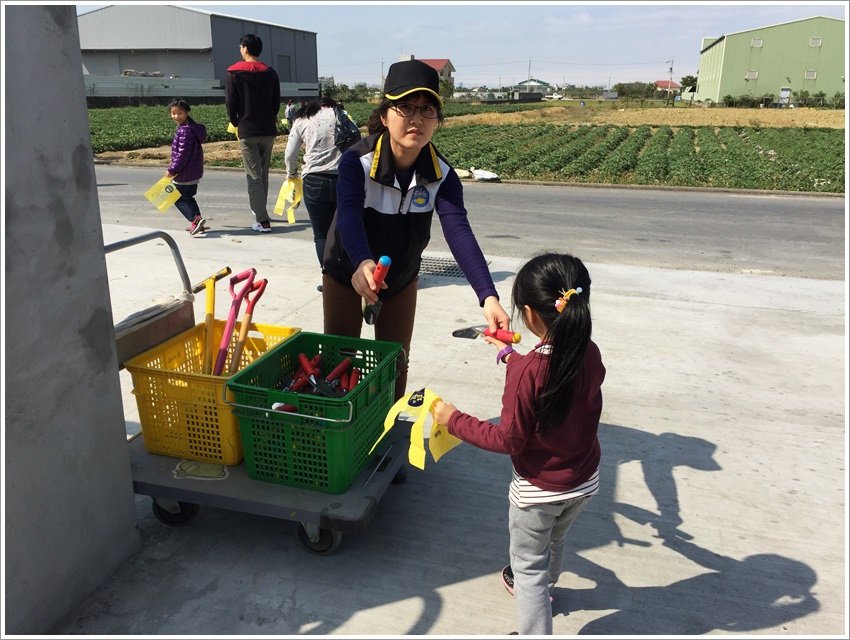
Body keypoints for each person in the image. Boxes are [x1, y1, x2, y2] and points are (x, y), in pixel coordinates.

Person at [433, 253, 606, 636]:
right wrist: (513, 357)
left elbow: (509, 438)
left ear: (528, 314)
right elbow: (548, 377)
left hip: (538, 492)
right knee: (556, 539)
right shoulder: (588, 352)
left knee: (528, 565)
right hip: (584, 481)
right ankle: (550, 587)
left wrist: (453, 419)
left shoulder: (531, 370)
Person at [322, 59, 510, 400]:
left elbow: (459, 232)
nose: (417, 119)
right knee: (339, 362)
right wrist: (361, 262)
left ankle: (386, 429)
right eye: (405, 107)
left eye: (427, 109)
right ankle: (340, 432)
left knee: (396, 362)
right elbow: (348, 213)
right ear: (384, 115)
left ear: (437, 120)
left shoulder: (442, 176)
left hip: (402, 275)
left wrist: (489, 295)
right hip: (347, 268)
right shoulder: (358, 162)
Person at [224, 33, 280, 233]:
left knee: (253, 175)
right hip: (268, 130)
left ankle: (262, 220)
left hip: (248, 130)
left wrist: (235, 122)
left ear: (245, 48)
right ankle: (261, 212)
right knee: (263, 173)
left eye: (241, 47)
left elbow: (231, 102)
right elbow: (276, 102)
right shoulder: (270, 72)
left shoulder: (234, 73)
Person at [284, 97, 345, 268]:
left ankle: (329, 279)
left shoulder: (302, 120)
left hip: (313, 180)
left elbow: (290, 154)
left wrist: (291, 174)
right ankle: (348, 278)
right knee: (345, 229)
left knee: (321, 234)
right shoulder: (340, 115)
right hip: (343, 178)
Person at [164, 99, 207, 236]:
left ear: (186, 113)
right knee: (189, 198)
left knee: (177, 198)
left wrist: (172, 170)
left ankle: (195, 219)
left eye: (180, 113)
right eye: (174, 113)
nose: (177, 116)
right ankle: (197, 223)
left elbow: (182, 154)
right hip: (193, 173)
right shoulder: (192, 128)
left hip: (184, 173)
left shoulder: (185, 131)